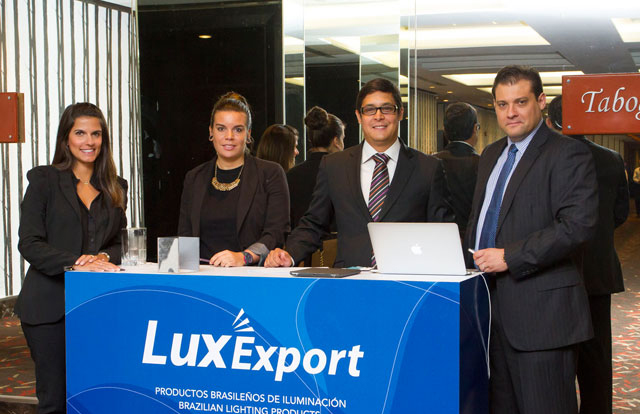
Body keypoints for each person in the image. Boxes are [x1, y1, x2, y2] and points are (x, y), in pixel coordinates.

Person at [467, 65, 598, 414]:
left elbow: (577, 226)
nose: (510, 112)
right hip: (489, 312)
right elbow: (482, 220)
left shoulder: (567, 153)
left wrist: (509, 257)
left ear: (540, 101)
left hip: (543, 318)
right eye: (502, 104)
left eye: (520, 102)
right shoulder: (491, 155)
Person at [265, 77, 454, 268]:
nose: (378, 116)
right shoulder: (334, 166)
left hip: (408, 279)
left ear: (400, 113)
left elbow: (443, 234)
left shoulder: (429, 168)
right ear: (359, 116)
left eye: (386, 109)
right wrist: (289, 254)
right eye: (370, 109)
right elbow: (314, 223)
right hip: (349, 279)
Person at [16, 102, 128, 414]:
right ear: (66, 138)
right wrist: (78, 262)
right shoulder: (44, 180)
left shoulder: (116, 186)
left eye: (96, 134)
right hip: (48, 307)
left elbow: (121, 242)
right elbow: (29, 243)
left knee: (96, 398)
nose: (89, 141)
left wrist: (102, 256)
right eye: (80, 133)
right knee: (55, 401)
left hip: (96, 306)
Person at [546, 95, 629, 414]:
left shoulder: (544, 159)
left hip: (553, 270)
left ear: (549, 121)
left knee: (555, 358)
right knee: (597, 358)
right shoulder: (612, 159)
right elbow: (620, 213)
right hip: (597, 272)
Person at [178, 92, 290, 266]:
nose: (229, 136)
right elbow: (185, 236)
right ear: (211, 132)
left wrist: (244, 257)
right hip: (202, 274)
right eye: (221, 128)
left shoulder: (270, 173)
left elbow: (276, 232)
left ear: (248, 134)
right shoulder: (194, 178)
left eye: (238, 129)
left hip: (249, 274)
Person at [287, 106, 345, 228]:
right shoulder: (345, 174)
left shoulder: (291, 175)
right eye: (342, 139)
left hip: (299, 238)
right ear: (336, 141)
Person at [434, 102, 480, 237]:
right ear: (475, 129)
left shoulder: (431, 162)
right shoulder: (484, 164)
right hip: (474, 237)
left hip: (439, 236)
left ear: (445, 130)